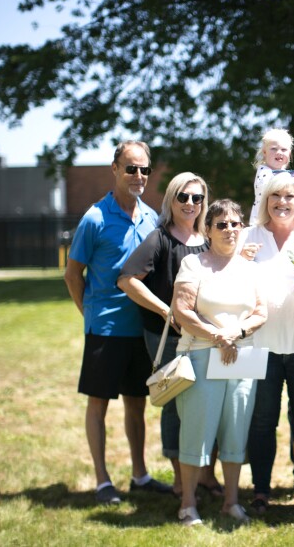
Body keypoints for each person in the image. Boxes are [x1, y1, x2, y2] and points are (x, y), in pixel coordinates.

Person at [64, 140, 172, 505]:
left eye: (144, 169)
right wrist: (89, 313)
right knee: (99, 404)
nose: (139, 176)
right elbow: (72, 274)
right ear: (115, 169)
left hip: (140, 330)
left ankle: (140, 475)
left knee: (136, 404)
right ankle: (101, 480)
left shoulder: (151, 217)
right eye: (131, 168)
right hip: (105, 330)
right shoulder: (94, 218)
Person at [117, 172, 224, 498]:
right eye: (183, 197)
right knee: (177, 403)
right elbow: (127, 280)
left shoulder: (208, 239)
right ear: (171, 200)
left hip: (207, 335)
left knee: (210, 401)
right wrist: (166, 310)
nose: (190, 204)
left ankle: (206, 474)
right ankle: (180, 479)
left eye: (197, 198)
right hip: (170, 337)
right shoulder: (159, 238)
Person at [171, 199, 268, 526]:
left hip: (243, 357)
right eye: (221, 224)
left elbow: (260, 312)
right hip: (200, 354)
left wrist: (235, 332)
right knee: (197, 432)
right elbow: (182, 311)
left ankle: (231, 502)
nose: (229, 230)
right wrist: (218, 336)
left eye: (235, 223)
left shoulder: (252, 269)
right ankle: (187, 504)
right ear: (208, 230)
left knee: (236, 432)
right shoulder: (194, 265)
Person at [242, 172, 294, 515]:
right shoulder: (249, 236)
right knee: (262, 420)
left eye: (290, 197)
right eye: (275, 197)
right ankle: (261, 490)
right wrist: (239, 262)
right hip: (261, 347)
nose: (282, 203)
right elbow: (227, 279)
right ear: (265, 202)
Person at [250, 128, 294, 225]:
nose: (279, 152)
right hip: (263, 224)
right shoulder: (264, 173)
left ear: (289, 154)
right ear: (264, 152)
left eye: (284, 149)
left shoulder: (285, 174)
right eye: (274, 149)